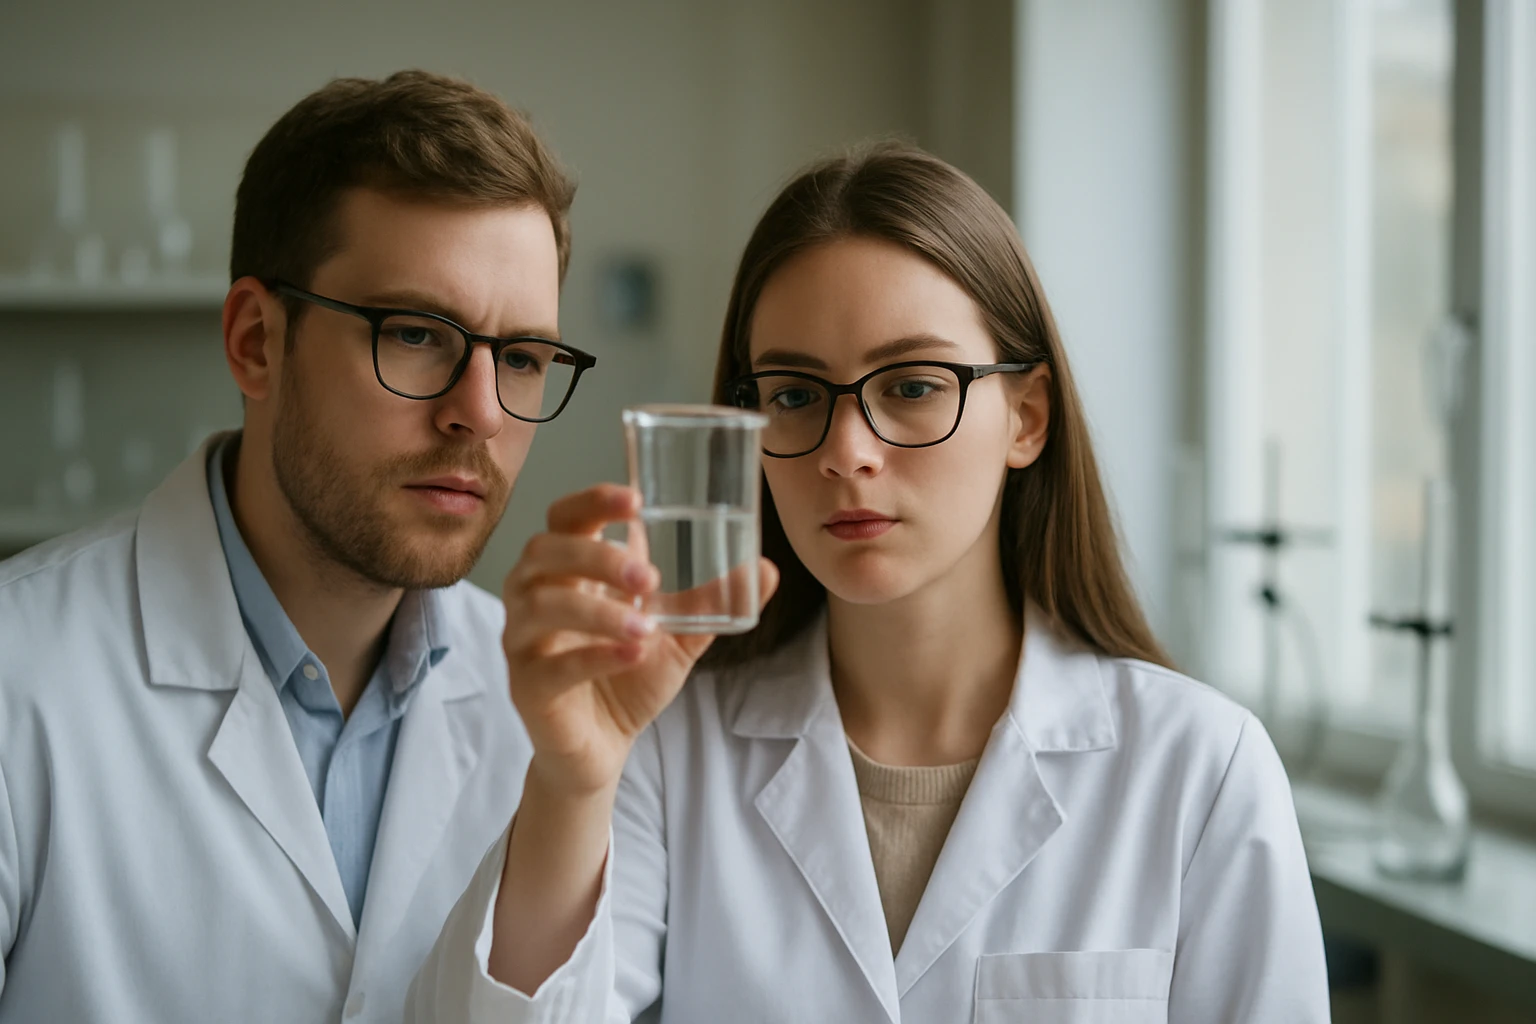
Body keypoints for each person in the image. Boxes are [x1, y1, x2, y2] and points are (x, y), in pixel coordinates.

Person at [410, 142, 1331, 1023]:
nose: (847, 453)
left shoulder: (1201, 772)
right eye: (796, 395)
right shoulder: (665, 751)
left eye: (913, 385)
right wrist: (573, 785)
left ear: (1027, 417)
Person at [0, 71, 592, 1023]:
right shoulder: (17, 677)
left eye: (520, 357)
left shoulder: (557, 720)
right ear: (256, 342)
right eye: (415, 335)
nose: (479, 413)